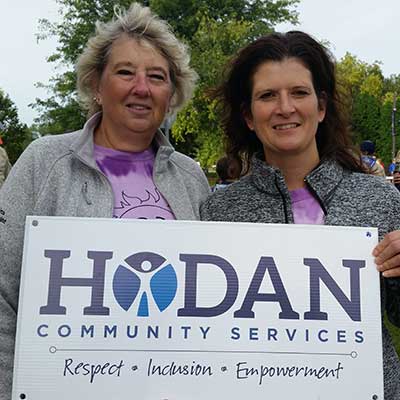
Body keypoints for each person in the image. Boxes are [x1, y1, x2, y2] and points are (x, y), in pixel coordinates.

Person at [0, 3, 210, 398]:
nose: (141, 88)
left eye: (157, 77)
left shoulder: (191, 178)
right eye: (125, 72)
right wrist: (14, 386)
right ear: (96, 85)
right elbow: (2, 290)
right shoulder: (44, 162)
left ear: (172, 93)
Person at [200, 31, 400, 399]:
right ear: (248, 115)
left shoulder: (380, 198)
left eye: (299, 92)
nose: (285, 107)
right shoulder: (219, 211)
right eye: (267, 96)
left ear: (321, 107)